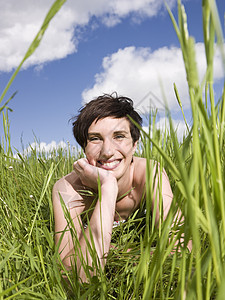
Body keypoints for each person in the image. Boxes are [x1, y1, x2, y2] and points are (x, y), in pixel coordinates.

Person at [52, 93, 175, 283]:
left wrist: (112, 252)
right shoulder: (67, 189)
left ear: (134, 145)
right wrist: (108, 188)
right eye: (95, 139)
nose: (108, 151)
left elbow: (184, 249)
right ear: (84, 148)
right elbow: (74, 279)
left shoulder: (150, 173)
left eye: (119, 136)